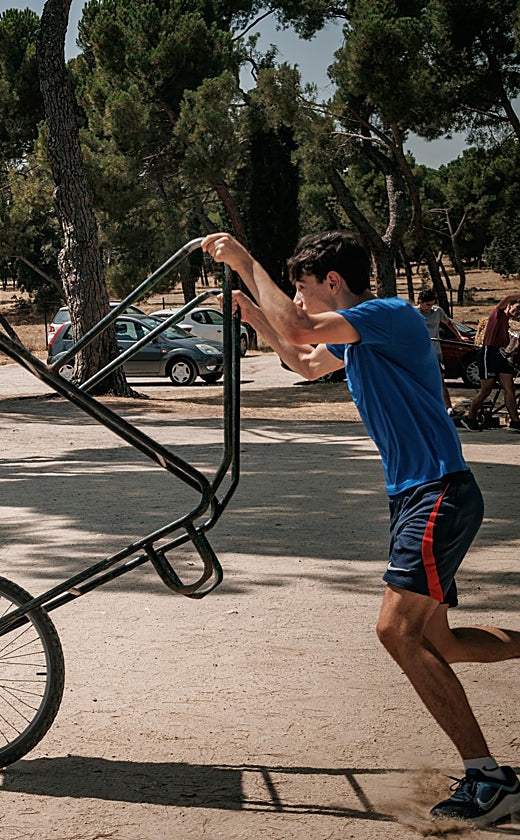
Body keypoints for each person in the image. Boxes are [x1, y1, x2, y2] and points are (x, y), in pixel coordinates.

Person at [203, 230, 520, 827]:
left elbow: (298, 334)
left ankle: (489, 777)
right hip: (415, 499)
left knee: (395, 632)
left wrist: (248, 260)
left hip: (438, 494)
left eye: (301, 289)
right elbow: (298, 359)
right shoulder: (356, 336)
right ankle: (489, 773)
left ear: (332, 282)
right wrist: (254, 311)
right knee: (440, 643)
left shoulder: (389, 315)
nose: (296, 301)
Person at [459, 294, 520, 432]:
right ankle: (469, 418)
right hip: (488, 353)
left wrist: (511, 351)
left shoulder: (508, 325)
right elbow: (505, 298)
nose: (517, 312)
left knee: (509, 387)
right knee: (486, 389)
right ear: (510, 305)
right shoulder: (497, 314)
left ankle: (515, 422)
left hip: (500, 355)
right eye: (517, 308)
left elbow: (507, 346)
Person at [416, 287, 457, 414]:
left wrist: (459, 337)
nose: (430, 307)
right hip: (419, 353)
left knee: (440, 379)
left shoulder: (437, 311)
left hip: (435, 351)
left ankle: (448, 408)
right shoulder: (412, 313)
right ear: (420, 302)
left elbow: (449, 323)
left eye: (432, 304)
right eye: (427, 305)